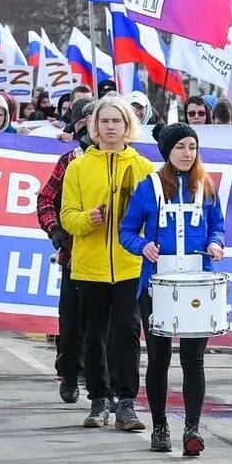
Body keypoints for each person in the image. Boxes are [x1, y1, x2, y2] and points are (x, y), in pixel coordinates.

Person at [120, 123, 225, 456]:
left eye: (192, 147)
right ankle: (160, 426)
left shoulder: (205, 186)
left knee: (194, 360)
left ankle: (192, 429)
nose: (187, 153)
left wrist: (215, 244)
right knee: (160, 358)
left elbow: (217, 227)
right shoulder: (148, 187)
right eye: (180, 147)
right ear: (168, 151)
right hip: (157, 285)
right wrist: (142, 247)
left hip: (196, 284)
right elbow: (126, 231)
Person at [60, 95, 154, 430]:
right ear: (94, 127)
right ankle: (99, 399)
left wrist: (142, 241)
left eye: (117, 121)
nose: (110, 127)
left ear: (129, 125)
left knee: (127, 333)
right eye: (105, 121)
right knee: (94, 335)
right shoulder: (79, 166)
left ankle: (126, 402)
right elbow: (67, 218)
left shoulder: (143, 168)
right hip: (89, 266)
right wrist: (89, 219)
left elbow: (153, 219)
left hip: (130, 267)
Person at [36, 98, 97, 403]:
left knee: (105, 322)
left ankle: (103, 383)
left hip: (111, 256)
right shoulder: (70, 160)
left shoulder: (127, 160)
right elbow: (46, 199)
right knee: (71, 320)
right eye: (86, 122)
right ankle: (70, 373)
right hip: (74, 254)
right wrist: (55, 230)